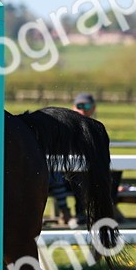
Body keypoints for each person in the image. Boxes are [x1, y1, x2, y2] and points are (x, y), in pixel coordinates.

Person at [50, 93, 98, 226]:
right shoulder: (64, 128)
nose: (83, 109)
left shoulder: (95, 130)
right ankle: (68, 212)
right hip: (62, 175)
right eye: (79, 106)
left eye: (86, 106)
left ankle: (82, 215)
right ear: (73, 107)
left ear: (93, 108)